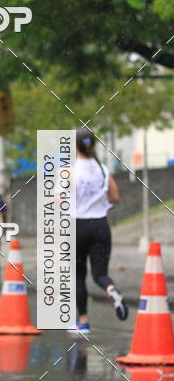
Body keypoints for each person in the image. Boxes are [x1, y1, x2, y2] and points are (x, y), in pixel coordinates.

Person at [73, 128, 127, 334]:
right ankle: (111, 289)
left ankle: (83, 322)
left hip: (78, 226)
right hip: (100, 226)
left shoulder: (69, 171)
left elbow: (59, 200)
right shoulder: (103, 169)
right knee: (100, 274)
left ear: (75, 146)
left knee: (78, 275)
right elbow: (114, 197)